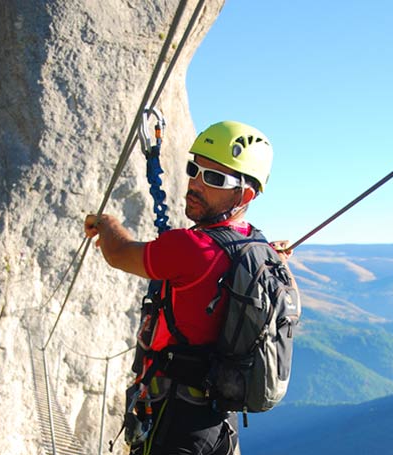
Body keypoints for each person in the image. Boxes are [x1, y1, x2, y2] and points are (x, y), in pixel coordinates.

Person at [85, 120, 283, 455]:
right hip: (220, 422)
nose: (195, 183)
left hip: (173, 421)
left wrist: (106, 224)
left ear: (245, 194)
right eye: (194, 168)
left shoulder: (190, 248)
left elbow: (118, 253)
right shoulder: (261, 248)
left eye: (214, 178)